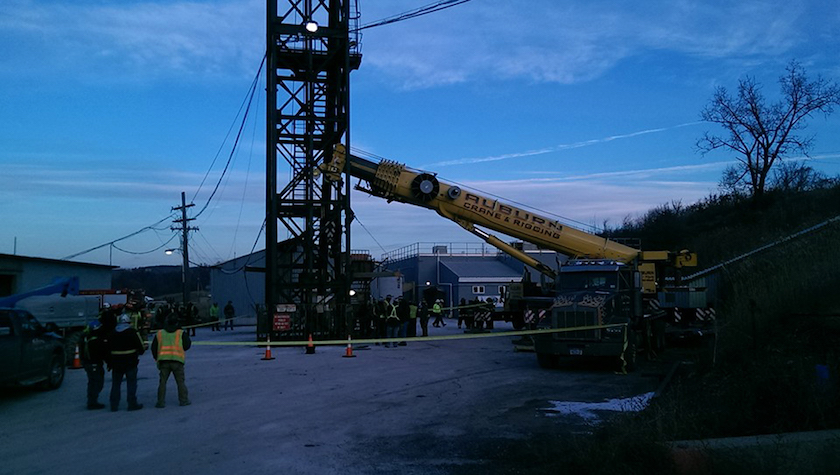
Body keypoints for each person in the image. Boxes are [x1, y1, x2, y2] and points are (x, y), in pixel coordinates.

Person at [151, 314, 192, 408]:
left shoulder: (160, 333)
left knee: (162, 382)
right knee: (180, 382)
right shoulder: (180, 333)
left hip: (164, 361)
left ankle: (160, 402)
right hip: (177, 361)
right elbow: (187, 345)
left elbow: (154, 347)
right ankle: (183, 400)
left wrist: (156, 358)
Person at [109, 313, 146, 412]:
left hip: (116, 362)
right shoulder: (132, 332)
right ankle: (132, 403)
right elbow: (141, 347)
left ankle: (114, 404)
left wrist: (110, 361)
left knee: (116, 384)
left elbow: (107, 348)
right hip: (130, 362)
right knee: (131, 383)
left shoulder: (112, 333)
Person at [80, 319, 109, 410]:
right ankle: (92, 402)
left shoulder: (86, 338)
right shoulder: (95, 340)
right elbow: (102, 353)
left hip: (89, 363)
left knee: (92, 382)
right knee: (97, 382)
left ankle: (92, 400)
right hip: (94, 363)